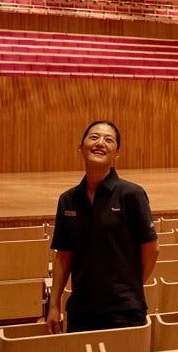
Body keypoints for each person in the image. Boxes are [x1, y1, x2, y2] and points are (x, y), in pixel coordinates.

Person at [47, 120, 159, 333]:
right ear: (80, 147)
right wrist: (54, 305)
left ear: (116, 153)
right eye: (94, 137)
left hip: (124, 312)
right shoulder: (68, 200)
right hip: (81, 310)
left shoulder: (132, 195)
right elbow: (63, 255)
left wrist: (130, 289)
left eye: (108, 140)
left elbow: (152, 250)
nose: (100, 143)